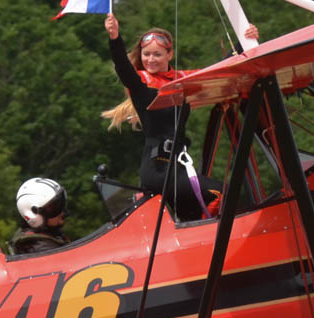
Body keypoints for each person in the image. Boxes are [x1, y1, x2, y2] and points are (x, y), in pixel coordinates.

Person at [101, 13, 257, 221]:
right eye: (146, 54)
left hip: (179, 166)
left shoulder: (182, 80)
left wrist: (243, 41)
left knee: (192, 220)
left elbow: (219, 70)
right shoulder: (140, 82)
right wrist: (114, 38)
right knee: (226, 192)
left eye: (157, 54)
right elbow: (122, 66)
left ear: (169, 54)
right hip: (158, 169)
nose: (150, 60)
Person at [9, 177, 70, 255]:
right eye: (54, 208)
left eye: (61, 203)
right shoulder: (44, 250)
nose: (62, 213)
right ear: (33, 215)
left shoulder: (46, 237)